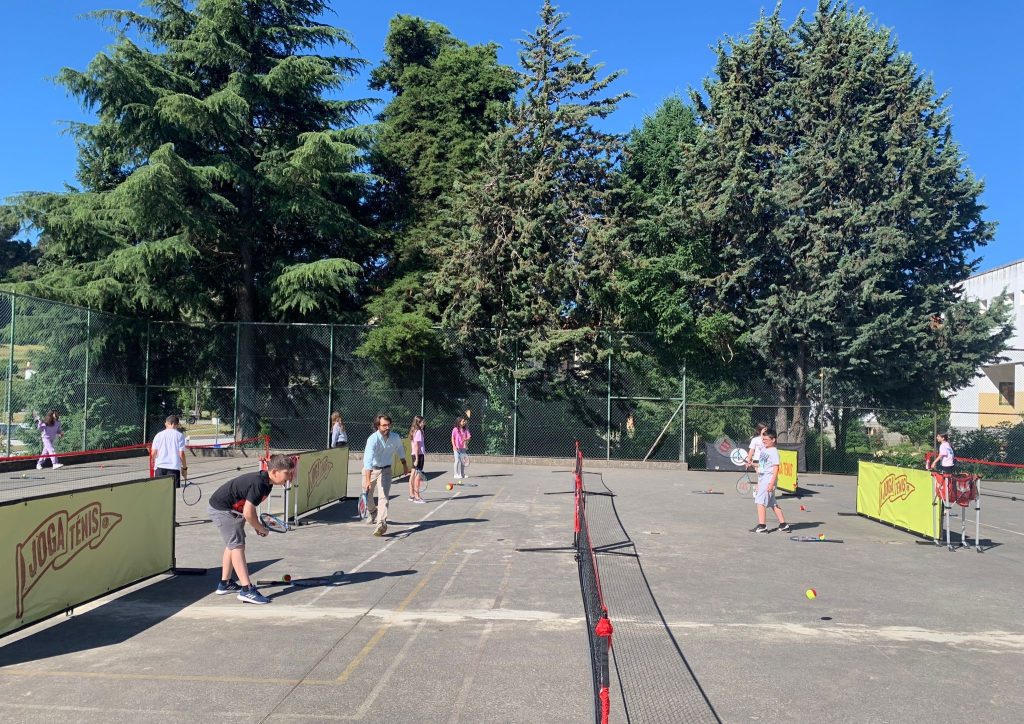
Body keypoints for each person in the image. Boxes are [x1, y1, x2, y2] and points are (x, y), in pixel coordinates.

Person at [207, 454, 296, 604]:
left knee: (233, 544)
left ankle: (225, 584)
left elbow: (250, 510)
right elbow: (248, 512)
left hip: (233, 509)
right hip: (223, 509)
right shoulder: (260, 484)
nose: (290, 477)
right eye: (287, 473)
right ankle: (246, 590)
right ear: (274, 472)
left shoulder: (268, 484)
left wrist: (256, 525)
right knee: (237, 546)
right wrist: (260, 528)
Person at [363, 414, 410, 537]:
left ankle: (381, 523)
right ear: (378, 426)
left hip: (386, 471)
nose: (387, 428)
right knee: (367, 495)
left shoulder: (395, 437)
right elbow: (368, 460)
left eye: (389, 425)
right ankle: (373, 512)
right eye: (384, 425)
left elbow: (400, 450)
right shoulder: (372, 439)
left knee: (383, 496)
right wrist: (368, 480)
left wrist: (405, 465)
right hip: (371, 470)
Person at [753, 428, 790, 534]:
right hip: (763, 479)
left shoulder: (773, 451)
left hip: (768, 480)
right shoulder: (765, 449)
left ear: (773, 440)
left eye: (766, 439)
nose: (764, 441)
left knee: (760, 502)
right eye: (763, 439)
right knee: (773, 503)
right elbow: (764, 465)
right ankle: (784, 525)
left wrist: (771, 483)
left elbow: (776, 468)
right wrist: (755, 465)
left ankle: (762, 526)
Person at [150, 414, 187, 488]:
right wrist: (185, 468)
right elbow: (181, 454)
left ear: (172, 424)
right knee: (172, 495)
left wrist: (154, 466)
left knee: (159, 492)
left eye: (166, 423)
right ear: (176, 424)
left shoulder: (159, 435)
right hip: (174, 469)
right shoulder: (180, 436)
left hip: (159, 468)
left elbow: (153, 453)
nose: (165, 424)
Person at [408, 415, 426, 503]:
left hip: (414, 455)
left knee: (412, 475)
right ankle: (417, 497)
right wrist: (417, 459)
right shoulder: (418, 431)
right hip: (418, 455)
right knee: (417, 477)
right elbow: (416, 446)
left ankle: (411, 495)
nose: (424, 423)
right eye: (422, 422)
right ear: (418, 423)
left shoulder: (414, 430)